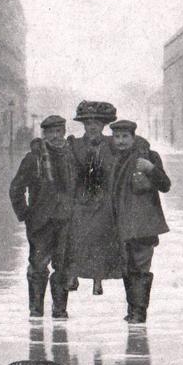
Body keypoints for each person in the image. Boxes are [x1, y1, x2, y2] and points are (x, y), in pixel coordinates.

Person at [9, 114, 75, 319]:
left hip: (67, 220)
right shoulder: (33, 159)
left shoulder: (72, 156)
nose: (55, 136)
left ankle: (60, 311)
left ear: (64, 132)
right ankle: (36, 311)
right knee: (38, 266)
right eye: (50, 132)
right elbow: (16, 189)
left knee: (63, 266)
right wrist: (26, 214)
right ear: (44, 134)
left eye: (58, 131)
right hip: (41, 223)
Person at [109, 119, 171, 323]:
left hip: (144, 224)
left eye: (125, 136)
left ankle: (139, 313)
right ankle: (132, 310)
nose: (120, 141)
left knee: (141, 267)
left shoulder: (149, 157)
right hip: (120, 222)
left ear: (133, 137)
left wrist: (151, 168)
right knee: (127, 267)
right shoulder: (111, 158)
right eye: (117, 137)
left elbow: (165, 185)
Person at [65, 100, 122, 292]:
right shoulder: (74, 144)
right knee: (76, 235)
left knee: (101, 237)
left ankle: (98, 279)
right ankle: (73, 274)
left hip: (104, 197)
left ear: (103, 126)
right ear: (84, 126)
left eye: (96, 124)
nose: (92, 128)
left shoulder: (112, 144)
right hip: (81, 197)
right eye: (88, 124)